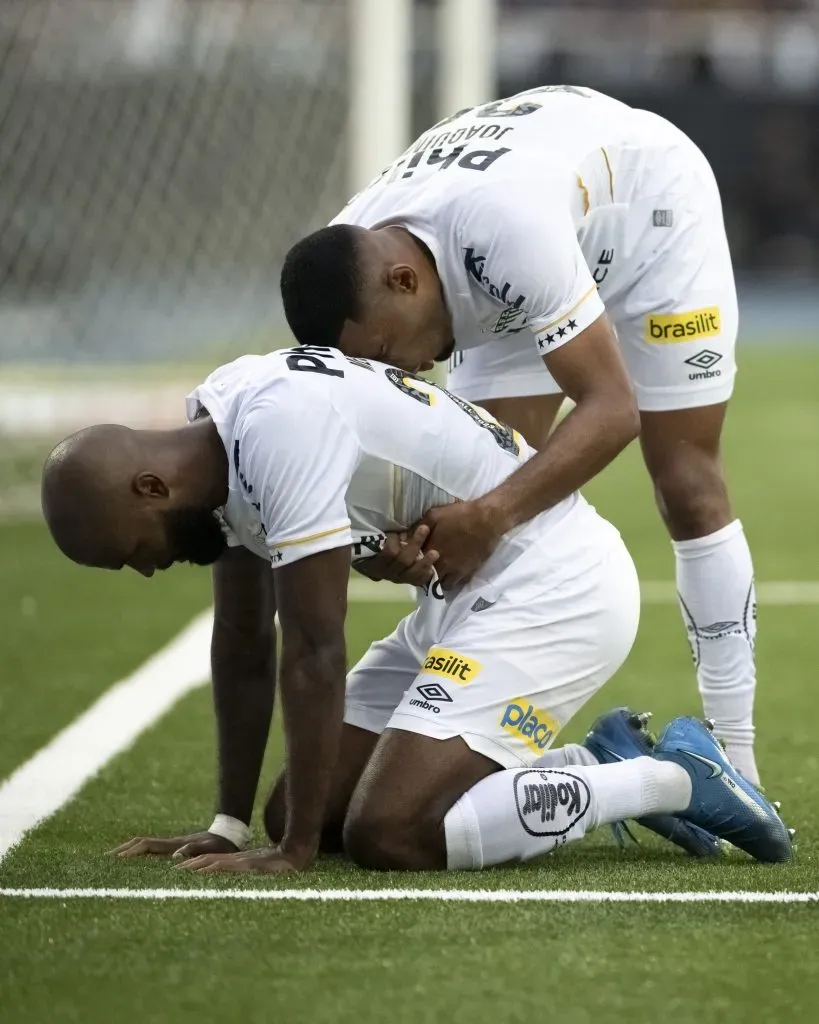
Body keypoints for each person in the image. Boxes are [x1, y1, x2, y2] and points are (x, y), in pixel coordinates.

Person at [40, 347, 791, 873]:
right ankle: (594, 763)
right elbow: (242, 639)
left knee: (388, 833)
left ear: (149, 489)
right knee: (304, 809)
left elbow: (312, 648)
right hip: (459, 601)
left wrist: (295, 856)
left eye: (128, 550)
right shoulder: (217, 427)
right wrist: (229, 827)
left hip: (555, 589)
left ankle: (674, 778)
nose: (142, 568)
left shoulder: (277, 429)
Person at [280, 85, 762, 786]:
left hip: (649, 218)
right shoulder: (354, 255)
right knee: (470, 488)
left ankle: (734, 762)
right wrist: (387, 546)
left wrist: (493, 513)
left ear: (404, 280)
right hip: (506, 259)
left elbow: (611, 410)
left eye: (387, 352)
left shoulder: (505, 228)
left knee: (685, 482)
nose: (403, 372)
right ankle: (466, 724)